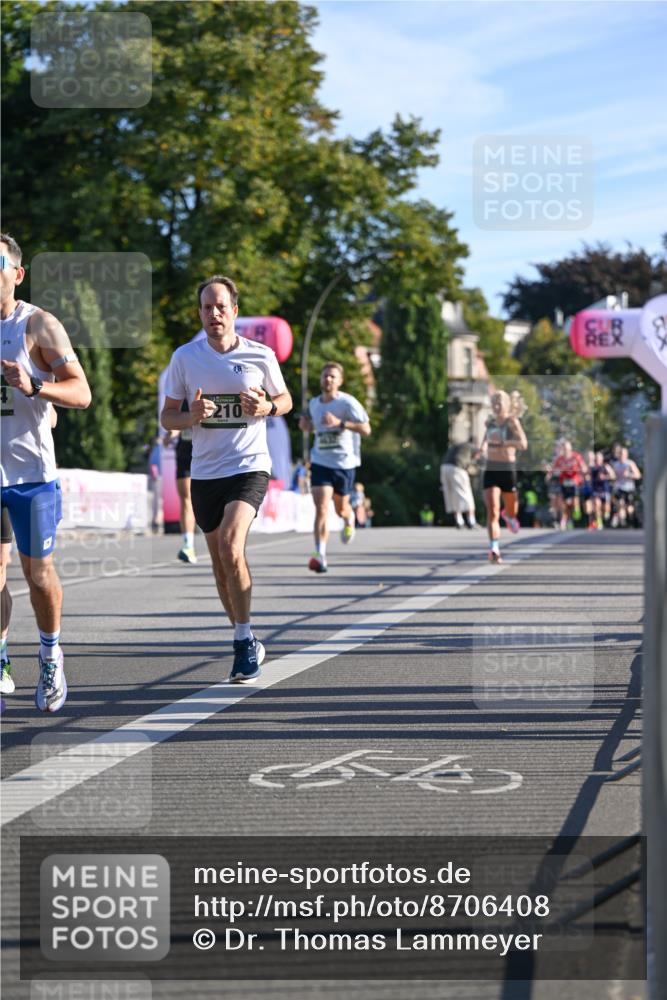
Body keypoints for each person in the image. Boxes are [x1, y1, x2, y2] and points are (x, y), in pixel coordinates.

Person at [161, 274, 292, 683]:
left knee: (233, 548)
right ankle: (245, 636)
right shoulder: (185, 357)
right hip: (206, 472)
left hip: (249, 465)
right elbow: (167, 416)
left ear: (234, 310)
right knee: (219, 562)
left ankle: (242, 641)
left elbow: (286, 401)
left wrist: (268, 406)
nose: (213, 313)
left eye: (221, 306)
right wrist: (190, 417)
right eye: (206, 307)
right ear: (199, 313)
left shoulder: (261, 355)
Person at [0, 233, 92, 712]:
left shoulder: (38, 325)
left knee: (37, 575)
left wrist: (35, 386)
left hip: (31, 475)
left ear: (17, 274)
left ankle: (50, 653)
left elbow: (81, 392)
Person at [298, 362, 371, 573]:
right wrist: (307, 427)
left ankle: (349, 518)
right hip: (321, 461)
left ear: (339, 381)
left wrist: (341, 423)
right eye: (325, 376)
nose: (327, 380)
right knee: (321, 507)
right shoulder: (314, 404)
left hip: (344, 463)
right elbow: (316, 428)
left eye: (332, 377)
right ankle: (320, 554)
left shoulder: (348, 403)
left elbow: (366, 429)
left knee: (341, 509)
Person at [478, 390, 527, 563]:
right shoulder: (490, 422)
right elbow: (485, 440)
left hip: (507, 468)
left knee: (511, 510)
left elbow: (523, 444)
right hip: (491, 468)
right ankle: (494, 548)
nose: (496, 406)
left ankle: (511, 516)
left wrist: (505, 443)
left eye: (499, 402)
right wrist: (481, 450)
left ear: (506, 404)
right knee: (492, 511)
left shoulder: (512, 421)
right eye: (494, 403)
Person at [164, 403, 198, 563]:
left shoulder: (213, 385)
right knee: (186, 498)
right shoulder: (180, 394)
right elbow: (174, 421)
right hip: (185, 452)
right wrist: (171, 433)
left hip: (211, 452)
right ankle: (188, 545)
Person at [440, 442, 477, 529]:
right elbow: (476, 458)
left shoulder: (457, 446)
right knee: (466, 493)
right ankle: (471, 520)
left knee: (451, 494)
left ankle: (459, 520)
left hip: (444, 467)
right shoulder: (472, 447)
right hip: (457, 468)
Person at [552, 439, 587, 530]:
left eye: (568, 448)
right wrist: (553, 472)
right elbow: (554, 469)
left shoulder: (576, 456)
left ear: (571, 448)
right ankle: (565, 520)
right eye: (564, 448)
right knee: (564, 503)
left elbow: (583, 466)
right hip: (563, 482)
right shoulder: (560, 459)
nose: (566, 450)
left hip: (574, 481)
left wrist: (583, 469)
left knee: (574, 500)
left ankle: (576, 509)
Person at [611, 446, 641, 528]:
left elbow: (638, 475)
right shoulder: (616, 464)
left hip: (628, 488)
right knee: (620, 504)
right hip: (619, 487)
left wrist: (629, 475)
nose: (622, 455)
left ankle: (631, 520)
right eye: (621, 454)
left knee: (629, 507)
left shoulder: (630, 463)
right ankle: (622, 523)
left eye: (624, 454)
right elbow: (613, 476)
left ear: (626, 455)